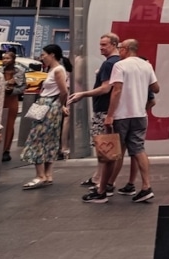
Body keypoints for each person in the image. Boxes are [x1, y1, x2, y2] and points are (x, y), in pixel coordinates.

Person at [84, 38, 159, 203]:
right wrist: (140, 84)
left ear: (126, 49)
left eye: (120, 48)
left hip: (122, 115)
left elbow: (116, 91)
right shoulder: (146, 66)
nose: (119, 51)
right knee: (138, 149)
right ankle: (146, 187)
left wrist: (110, 115)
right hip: (139, 114)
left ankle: (102, 191)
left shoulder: (120, 66)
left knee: (111, 153)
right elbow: (156, 88)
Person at [68, 33, 121, 189]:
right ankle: (99, 177)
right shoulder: (117, 62)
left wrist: (82, 94)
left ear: (114, 44)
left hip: (104, 109)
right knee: (106, 147)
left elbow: (105, 88)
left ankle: (103, 181)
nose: (101, 48)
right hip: (108, 109)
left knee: (104, 147)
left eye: (104, 45)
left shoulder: (109, 64)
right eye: (100, 44)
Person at [20, 44, 72, 189]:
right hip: (49, 105)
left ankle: (40, 175)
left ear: (52, 55)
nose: (42, 57)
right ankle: (47, 174)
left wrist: (60, 105)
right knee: (49, 139)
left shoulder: (58, 70)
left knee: (37, 139)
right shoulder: (52, 69)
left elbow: (64, 91)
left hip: (48, 105)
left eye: (44, 54)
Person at [1, 48, 25, 162]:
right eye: (4, 58)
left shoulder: (19, 71)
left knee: (9, 125)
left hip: (12, 100)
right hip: (0, 100)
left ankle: (6, 150)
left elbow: (22, 87)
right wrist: (8, 83)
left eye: (7, 58)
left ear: (13, 59)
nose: (5, 60)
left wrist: (12, 90)